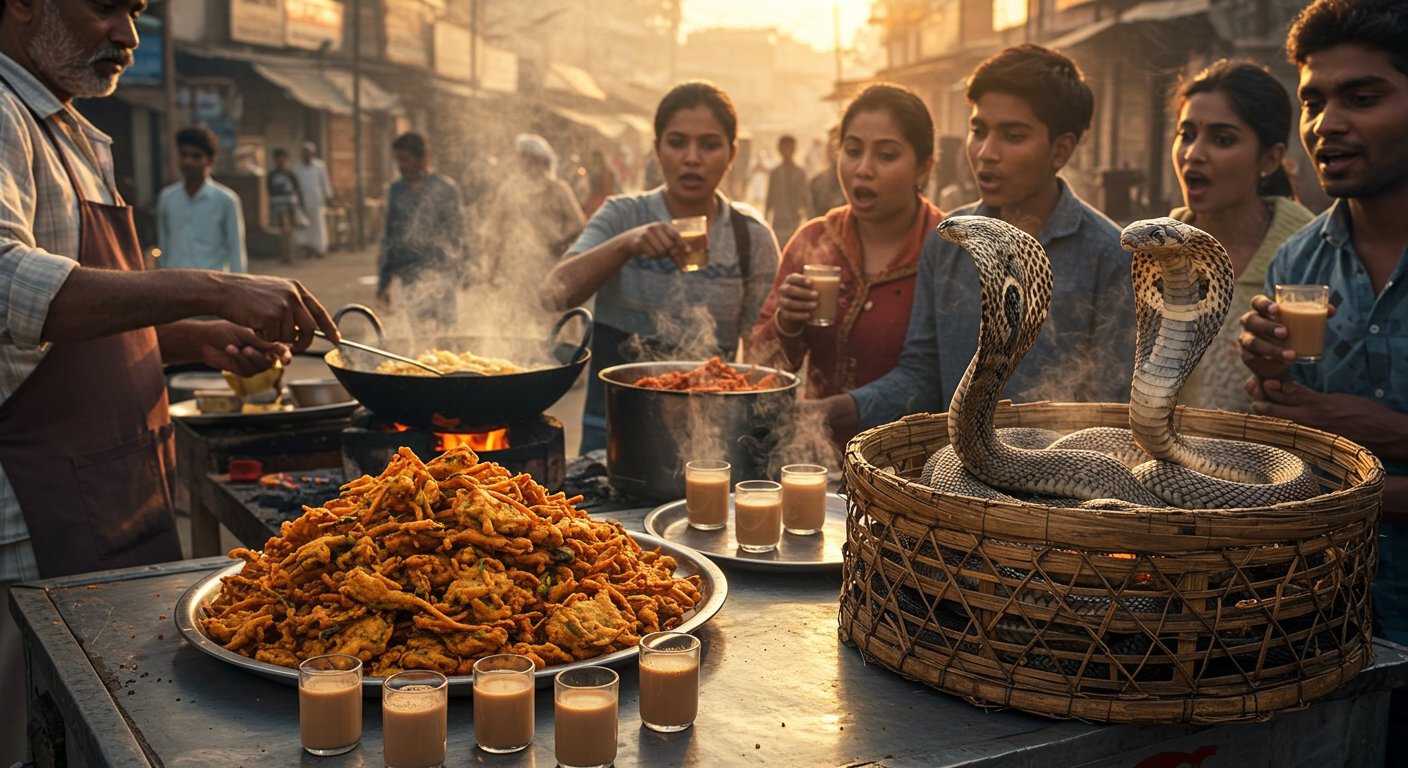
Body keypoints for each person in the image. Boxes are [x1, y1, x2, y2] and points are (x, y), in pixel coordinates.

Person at [0, 2, 340, 763]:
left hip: (116, 488)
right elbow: (7, 285)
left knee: (121, 731)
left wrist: (192, 338)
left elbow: (73, 331)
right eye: (104, 6)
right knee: (42, 737)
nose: (127, 35)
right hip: (35, 507)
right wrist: (215, 288)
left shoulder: (66, 129)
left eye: (136, 11)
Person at [817, 44, 1135, 435]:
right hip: (955, 466)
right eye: (978, 131)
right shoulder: (948, 242)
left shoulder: (1110, 256)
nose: (985, 153)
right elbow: (923, 373)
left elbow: (1110, 409)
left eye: (1012, 136)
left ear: (1060, 150)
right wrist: (838, 409)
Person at [1240, 0, 1408, 648]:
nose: (1325, 125)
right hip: (1328, 618)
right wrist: (1270, 387)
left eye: (1362, 99)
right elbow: (1293, 449)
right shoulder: (1297, 263)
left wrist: (1384, 433)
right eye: (1313, 102)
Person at [542, 81, 780, 454]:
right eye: (677, 142)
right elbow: (553, 294)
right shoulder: (622, 216)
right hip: (612, 436)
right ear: (657, 150)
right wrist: (626, 244)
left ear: (732, 154)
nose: (692, 158)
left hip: (709, 441)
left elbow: (763, 354)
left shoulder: (751, 239)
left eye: (709, 145)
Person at [748, 84, 945, 445]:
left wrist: (831, 410)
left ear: (923, 168)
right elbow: (760, 371)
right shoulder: (813, 241)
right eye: (852, 151)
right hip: (816, 457)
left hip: (913, 464)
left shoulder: (947, 250)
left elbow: (939, 377)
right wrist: (786, 323)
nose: (863, 169)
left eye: (886, 155)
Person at [1167, 60, 1314, 413]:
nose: (1193, 154)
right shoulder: (1158, 249)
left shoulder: (1310, 256)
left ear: (1270, 159)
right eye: (1187, 134)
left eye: (1222, 139)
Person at [377, 132, 471, 325]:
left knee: (446, 331)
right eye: (398, 160)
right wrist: (384, 281)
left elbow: (459, 232)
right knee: (416, 332)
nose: (401, 166)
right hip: (409, 276)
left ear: (422, 158)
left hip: (442, 274)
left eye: (406, 159)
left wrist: (464, 268)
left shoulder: (445, 188)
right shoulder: (396, 190)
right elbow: (390, 236)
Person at [478, 133, 585, 287]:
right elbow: (496, 230)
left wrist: (559, 243)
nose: (526, 163)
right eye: (523, 157)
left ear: (542, 161)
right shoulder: (509, 189)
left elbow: (577, 224)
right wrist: (491, 270)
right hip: (514, 265)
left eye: (530, 158)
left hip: (549, 265)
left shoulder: (558, 189)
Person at [156, 126, 246, 273]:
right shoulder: (167, 198)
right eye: (184, 155)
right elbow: (163, 244)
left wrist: (238, 283)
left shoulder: (226, 200)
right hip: (175, 280)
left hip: (213, 281)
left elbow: (236, 249)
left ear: (210, 160)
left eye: (196, 156)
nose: (188, 161)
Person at [765, 134, 809, 246]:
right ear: (779, 149)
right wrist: (765, 221)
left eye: (789, 148)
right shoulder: (775, 173)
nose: (787, 151)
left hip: (794, 221)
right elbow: (769, 199)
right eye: (784, 148)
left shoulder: (800, 173)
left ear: (794, 149)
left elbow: (806, 199)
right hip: (778, 221)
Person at [293, 141, 334, 259]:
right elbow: (295, 185)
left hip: (317, 201)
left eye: (309, 152)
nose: (307, 154)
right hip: (302, 202)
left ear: (313, 153)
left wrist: (328, 195)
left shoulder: (319, 166)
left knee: (318, 226)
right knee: (305, 226)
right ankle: (307, 248)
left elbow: (325, 182)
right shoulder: (297, 168)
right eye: (305, 152)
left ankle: (320, 249)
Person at [266, 147, 303, 263]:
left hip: (289, 205)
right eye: (278, 158)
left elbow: (297, 189)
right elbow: (269, 190)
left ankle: (290, 254)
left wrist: (299, 205)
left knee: (289, 230)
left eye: (282, 158)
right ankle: (285, 254)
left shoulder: (290, 174)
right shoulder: (271, 175)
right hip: (277, 205)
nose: (280, 161)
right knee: (282, 230)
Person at [808, 125, 846, 218]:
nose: (834, 151)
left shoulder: (859, 181)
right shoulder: (816, 183)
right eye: (831, 145)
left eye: (838, 145)